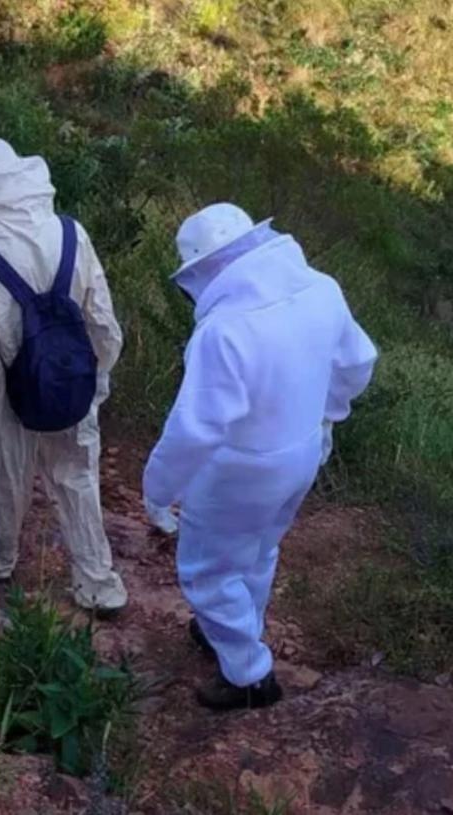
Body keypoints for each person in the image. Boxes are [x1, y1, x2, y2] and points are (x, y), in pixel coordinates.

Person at [142, 203, 378, 711]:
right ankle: (231, 629)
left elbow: (195, 429)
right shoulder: (321, 289)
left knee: (206, 571)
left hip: (240, 470)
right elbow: (358, 363)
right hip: (303, 453)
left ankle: (249, 675)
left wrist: (158, 489)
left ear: (205, 270)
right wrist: (327, 415)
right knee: (259, 549)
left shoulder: (225, 328)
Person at [0, 138, 127, 617]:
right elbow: (101, 318)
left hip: (10, 392)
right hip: (71, 378)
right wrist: (96, 376)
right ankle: (98, 585)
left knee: (4, 479)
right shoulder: (70, 232)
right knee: (78, 478)